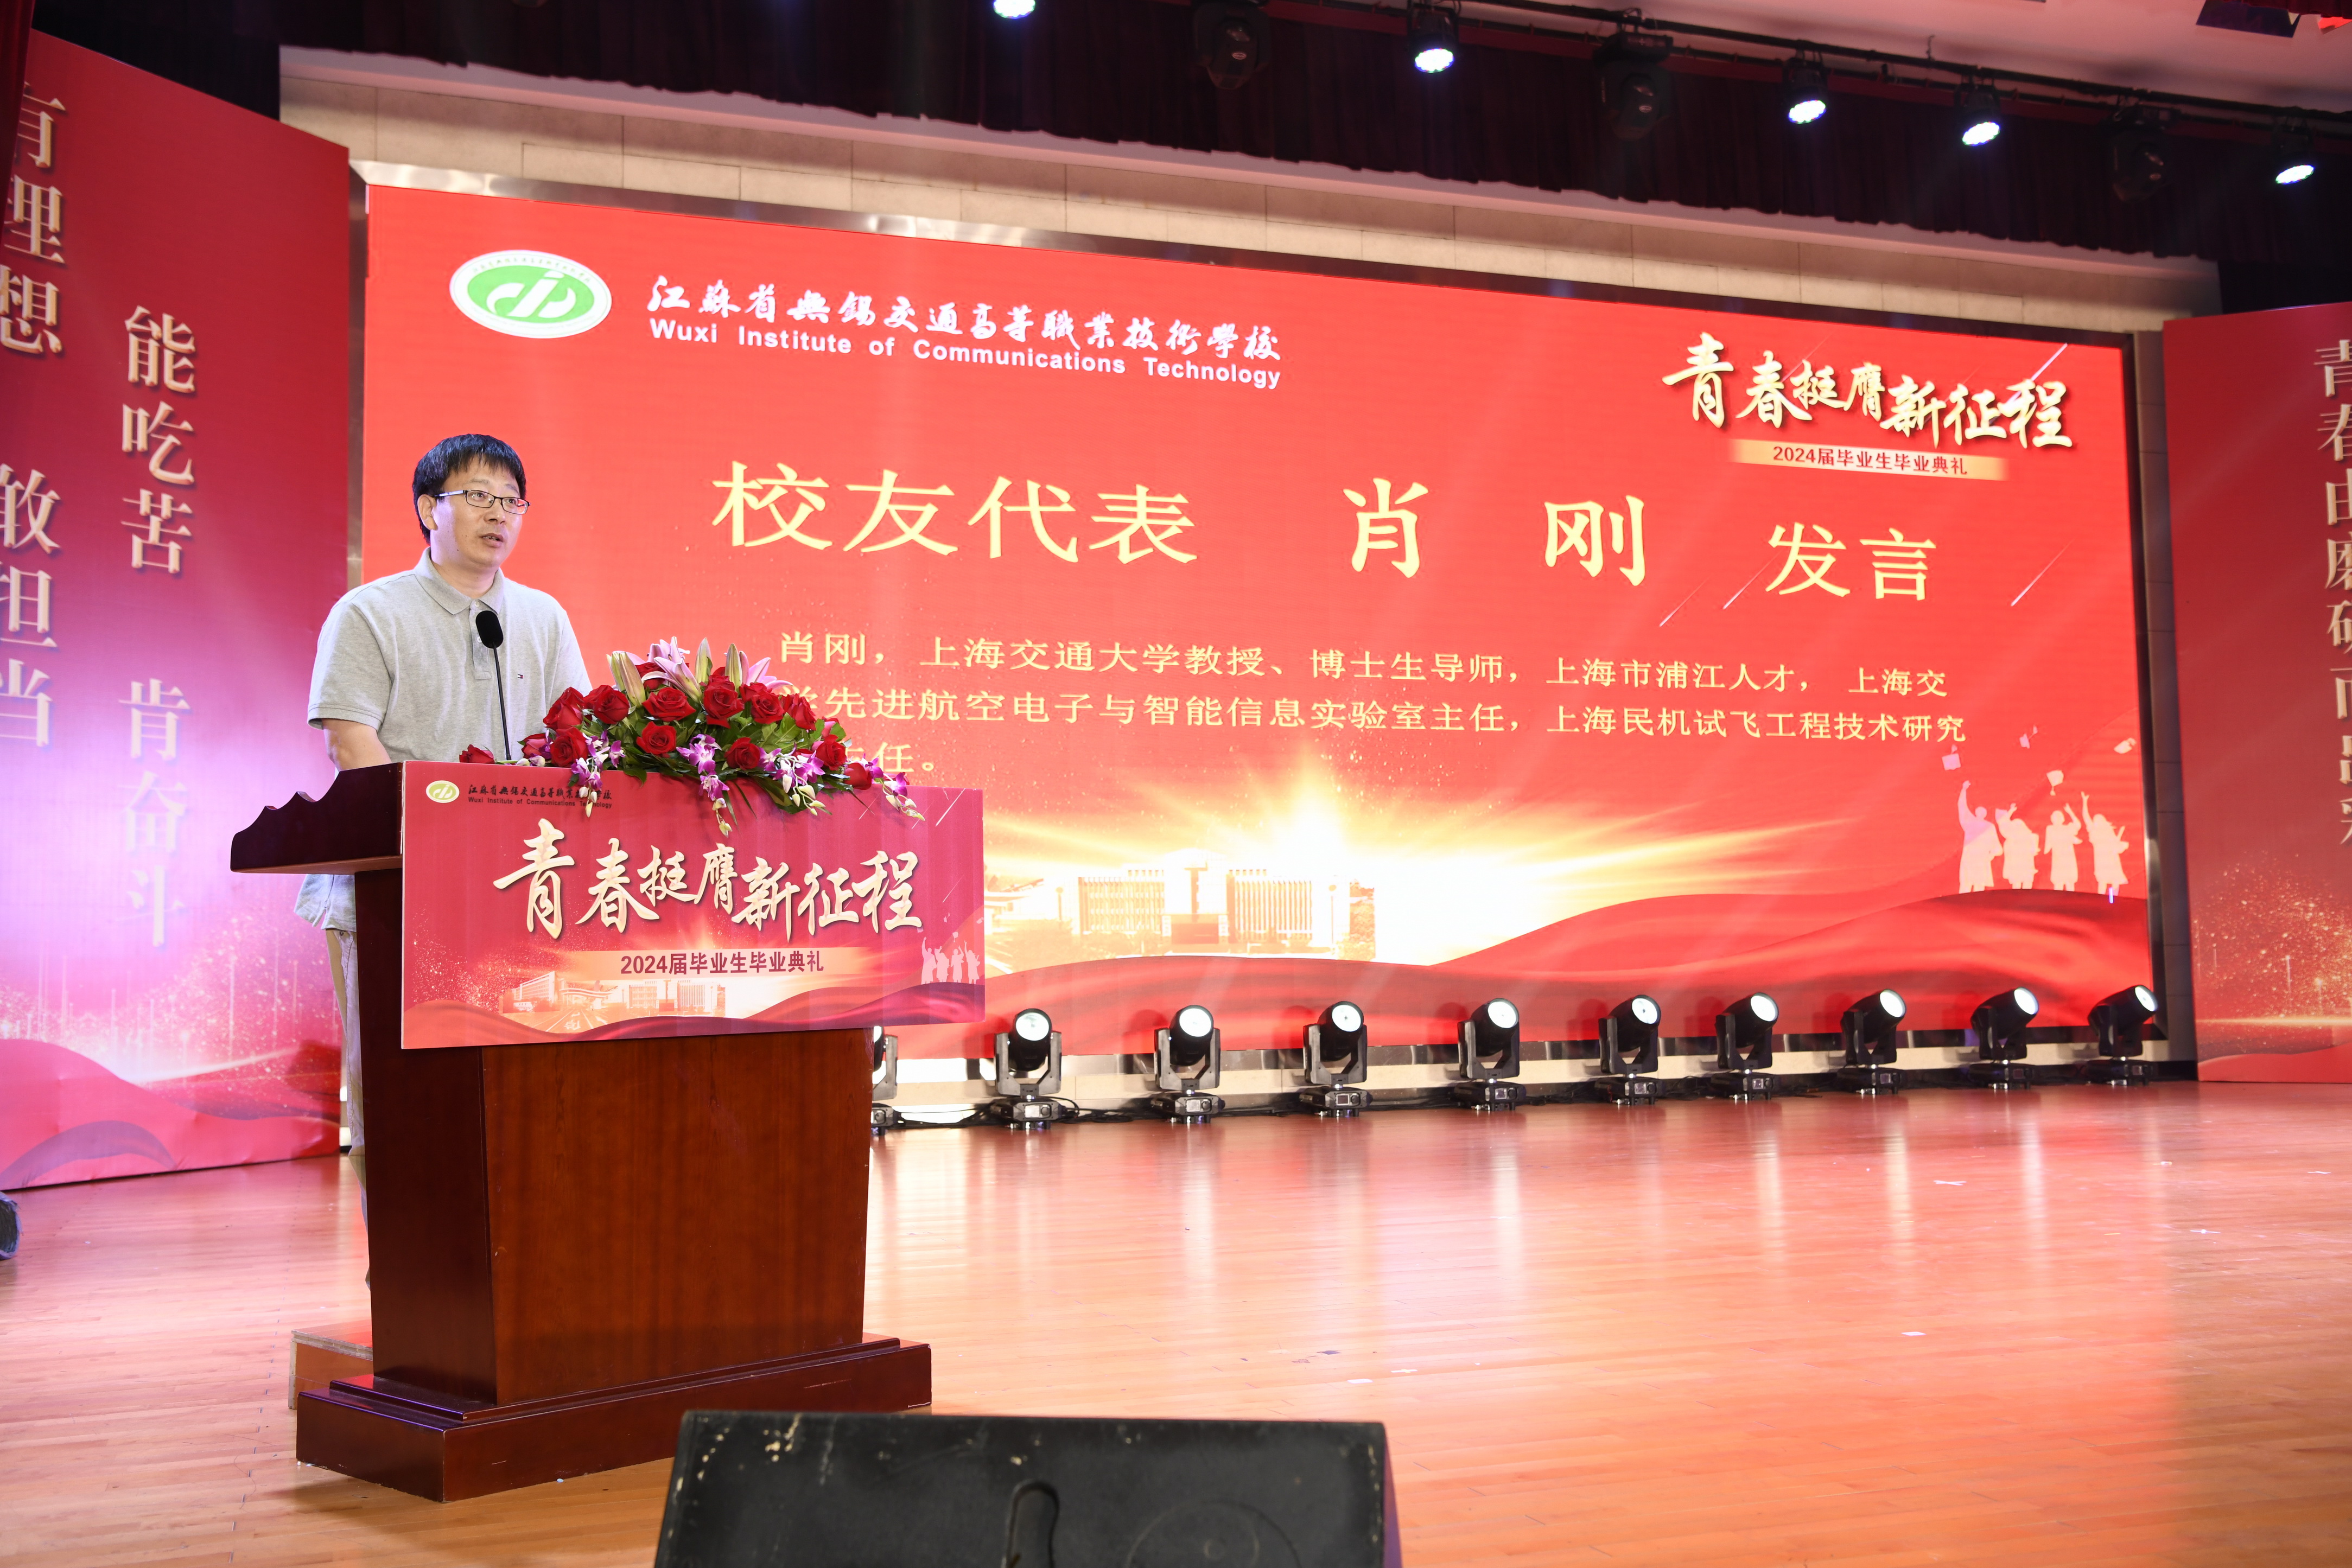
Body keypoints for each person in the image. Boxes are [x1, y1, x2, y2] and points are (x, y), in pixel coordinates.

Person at [296, 435, 590, 1204]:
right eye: (479, 496)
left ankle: (513, 1241)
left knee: (519, 1086)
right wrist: (426, 843)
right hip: (394, 884)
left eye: (512, 501)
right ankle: (406, 1253)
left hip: (517, 887)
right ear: (431, 508)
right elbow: (350, 739)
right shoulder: (371, 611)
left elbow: (572, 740)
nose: (500, 514)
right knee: (397, 1086)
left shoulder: (543, 617)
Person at [1956, 782, 1998, 893]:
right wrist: (1964, 790)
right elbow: (1962, 807)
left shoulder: (1984, 826)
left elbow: (1997, 848)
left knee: (1973, 886)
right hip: (1974, 859)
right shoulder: (1972, 823)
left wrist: (1991, 855)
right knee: (1970, 885)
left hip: (1978, 859)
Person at [1995, 805, 2039, 890]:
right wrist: (2010, 811)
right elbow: (2003, 823)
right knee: (2017, 883)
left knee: (2027, 883)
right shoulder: (2012, 840)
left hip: (2026, 867)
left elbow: (2034, 851)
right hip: (2017, 868)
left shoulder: (2031, 838)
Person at [2044, 804, 2084, 893]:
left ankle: (2072, 900)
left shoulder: (2068, 828)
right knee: (2059, 882)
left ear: (2063, 819)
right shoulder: (2051, 829)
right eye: (2054, 817)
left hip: (2068, 857)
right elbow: (2048, 843)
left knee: (2070, 882)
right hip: (2058, 858)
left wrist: (2070, 812)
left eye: (2059, 817)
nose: (2056, 819)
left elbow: (2078, 825)